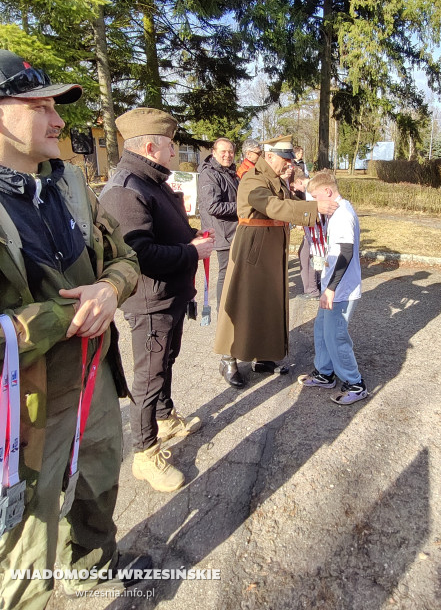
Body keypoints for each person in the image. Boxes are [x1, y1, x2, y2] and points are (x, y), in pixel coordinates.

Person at [0, 49, 145, 608]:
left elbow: (124, 257)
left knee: (99, 482)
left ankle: (90, 568)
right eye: (39, 107)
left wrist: (110, 290)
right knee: (22, 553)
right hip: (23, 414)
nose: (58, 120)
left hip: (94, 384)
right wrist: (66, 318)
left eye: (55, 107)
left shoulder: (71, 186)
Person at [100, 109, 214, 493]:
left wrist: (192, 237)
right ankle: (144, 454)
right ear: (151, 146)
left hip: (170, 296)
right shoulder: (126, 188)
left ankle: (164, 418)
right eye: (170, 144)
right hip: (150, 302)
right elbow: (139, 255)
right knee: (149, 377)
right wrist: (192, 253)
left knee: (165, 361)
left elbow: (165, 232)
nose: (174, 149)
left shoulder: (151, 180)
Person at [214, 136, 338, 388]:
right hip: (254, 251)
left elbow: (283, 203)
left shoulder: (273, 179)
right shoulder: (254, 179)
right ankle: (228, 359)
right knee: (243, 304)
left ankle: (262, 357)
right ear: (269, 157)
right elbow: (271, 206)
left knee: (266, 305)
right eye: (285, 159)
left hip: (269, 250)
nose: (289, 164)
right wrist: (314, 208)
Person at [298, 171, 368, 404]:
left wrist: (331, 288)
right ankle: (324, 373)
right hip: (333, 286)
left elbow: (346, 253)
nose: (314, 203)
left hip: (341, 290)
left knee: (336, 336)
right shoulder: (336, 211)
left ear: (327, 192)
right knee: (321, 330)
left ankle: (355, 384)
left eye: (315, 197)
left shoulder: (342, 215)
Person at [198, 138, 239, 311]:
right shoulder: (210, 174)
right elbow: (213, 206)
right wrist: (241, 208)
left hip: (233, 230)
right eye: (223, 151)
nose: (227, 155)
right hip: (223, 232)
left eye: (230, 151)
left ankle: (232, 307)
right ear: (214, 152)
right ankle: (223, 311)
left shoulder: (228, 172)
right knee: (225, 272)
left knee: (234, 272)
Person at [292, 168, 321, 299]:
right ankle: (315, 286)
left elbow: (314, 212)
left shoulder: (309, 191)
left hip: (313, 232)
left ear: (299, 181)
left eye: (295, 186)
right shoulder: (314, 185)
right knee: (308, 256)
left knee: (307, 258)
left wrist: (301, 222)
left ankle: (311, 290)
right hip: (314, 231)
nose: (296, 190)